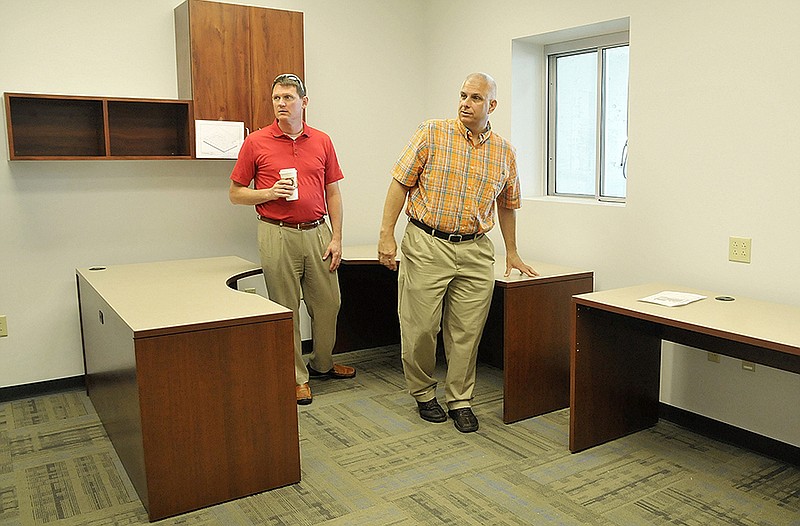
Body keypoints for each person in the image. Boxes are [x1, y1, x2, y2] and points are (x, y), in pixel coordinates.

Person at [377, 72, 537, 433]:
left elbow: (507, 205)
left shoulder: (505, 152)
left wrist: (511, 251)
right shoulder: (431, 133)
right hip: (426, 243)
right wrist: (386, 235)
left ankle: (460, 398)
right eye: (463, 95)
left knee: (467, 330)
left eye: (476, 98)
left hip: (476, 249)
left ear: (491, 105)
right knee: (420, 328)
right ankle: (422, 392)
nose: (466, 103)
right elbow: (399, 184)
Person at [229, 73, 355, 406]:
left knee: (329, 304)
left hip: (318, 232)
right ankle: (297, 377)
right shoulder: (256, 141)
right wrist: (268, 192)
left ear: (304, 102)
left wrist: (337, 237)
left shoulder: (322, 141)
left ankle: (322, 364)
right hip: (277, 233)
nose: (282, 104)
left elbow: (333, 192)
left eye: (288, 97)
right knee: (286, 308)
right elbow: (235, 194)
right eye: (276, 98)